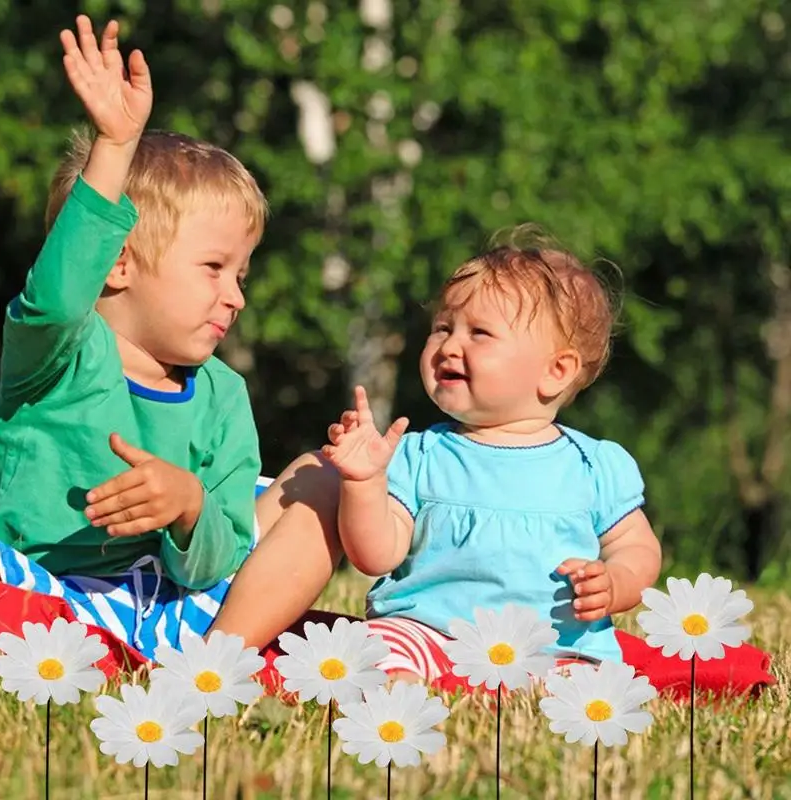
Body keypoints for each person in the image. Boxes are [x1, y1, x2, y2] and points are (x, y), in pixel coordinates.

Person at [214, 240, 663, 682]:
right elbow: (376, 555)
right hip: (427, 633)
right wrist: (364, 482)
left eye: (479, 333)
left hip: (556, 645)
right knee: (377, 648)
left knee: (594, 685)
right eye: (443, 328)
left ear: (556, 371)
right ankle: (399, 694)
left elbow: (637, 549)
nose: (449, 346)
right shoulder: (418, 455)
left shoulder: (593, 465)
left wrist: (616, 582)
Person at [0, 15, 266, 660]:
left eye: (241, 274)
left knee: (310, 493)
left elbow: (219, 555)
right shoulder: (58, 351)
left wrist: (190, 507)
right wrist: (114, 146)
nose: (236, 294)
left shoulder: (224, 396)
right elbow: (57, 293)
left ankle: (187, 661)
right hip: (27, 589)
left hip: (151, 604)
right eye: (213, 268)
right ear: (117, 262)